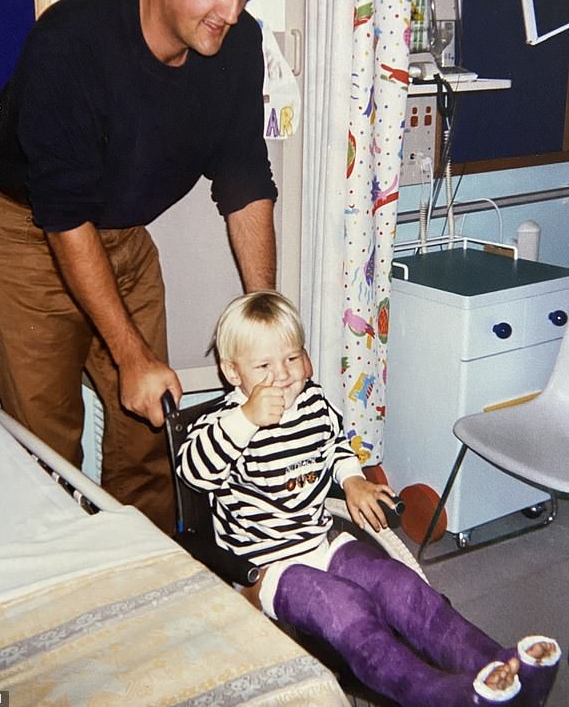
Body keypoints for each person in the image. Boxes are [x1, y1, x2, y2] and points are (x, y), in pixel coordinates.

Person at [0, 0, 284, 536]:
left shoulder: (239, 44)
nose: (232, 13)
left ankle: (145, 586)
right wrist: (128, 353)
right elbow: (62, 210)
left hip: (120, 234)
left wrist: (268, 322)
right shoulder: (73, 43)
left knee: (149, 434)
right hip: (25, 236)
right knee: (51, 453)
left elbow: (244, 175)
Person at [177, 291, 561, 707]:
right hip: (267, 567)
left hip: (321, 542)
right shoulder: (224, 423)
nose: (284, 376)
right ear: (233, 372)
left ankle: (502, 669)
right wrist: (245, 419)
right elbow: (195, 473)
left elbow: (337, 448)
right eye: (264, 366)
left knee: (404, 588)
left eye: (291, 358)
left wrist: (354, 480)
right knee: (348, 610)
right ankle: (438, 696)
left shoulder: (314, 404)